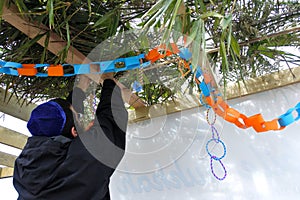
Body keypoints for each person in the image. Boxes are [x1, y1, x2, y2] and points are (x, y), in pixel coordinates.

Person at [13, 74, 128, 200]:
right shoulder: (83, 159)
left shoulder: (25, 165)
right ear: (74, 132)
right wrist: (108, 81)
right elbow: (111, 121)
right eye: (78, 118)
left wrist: (81, 86)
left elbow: (63, 117)